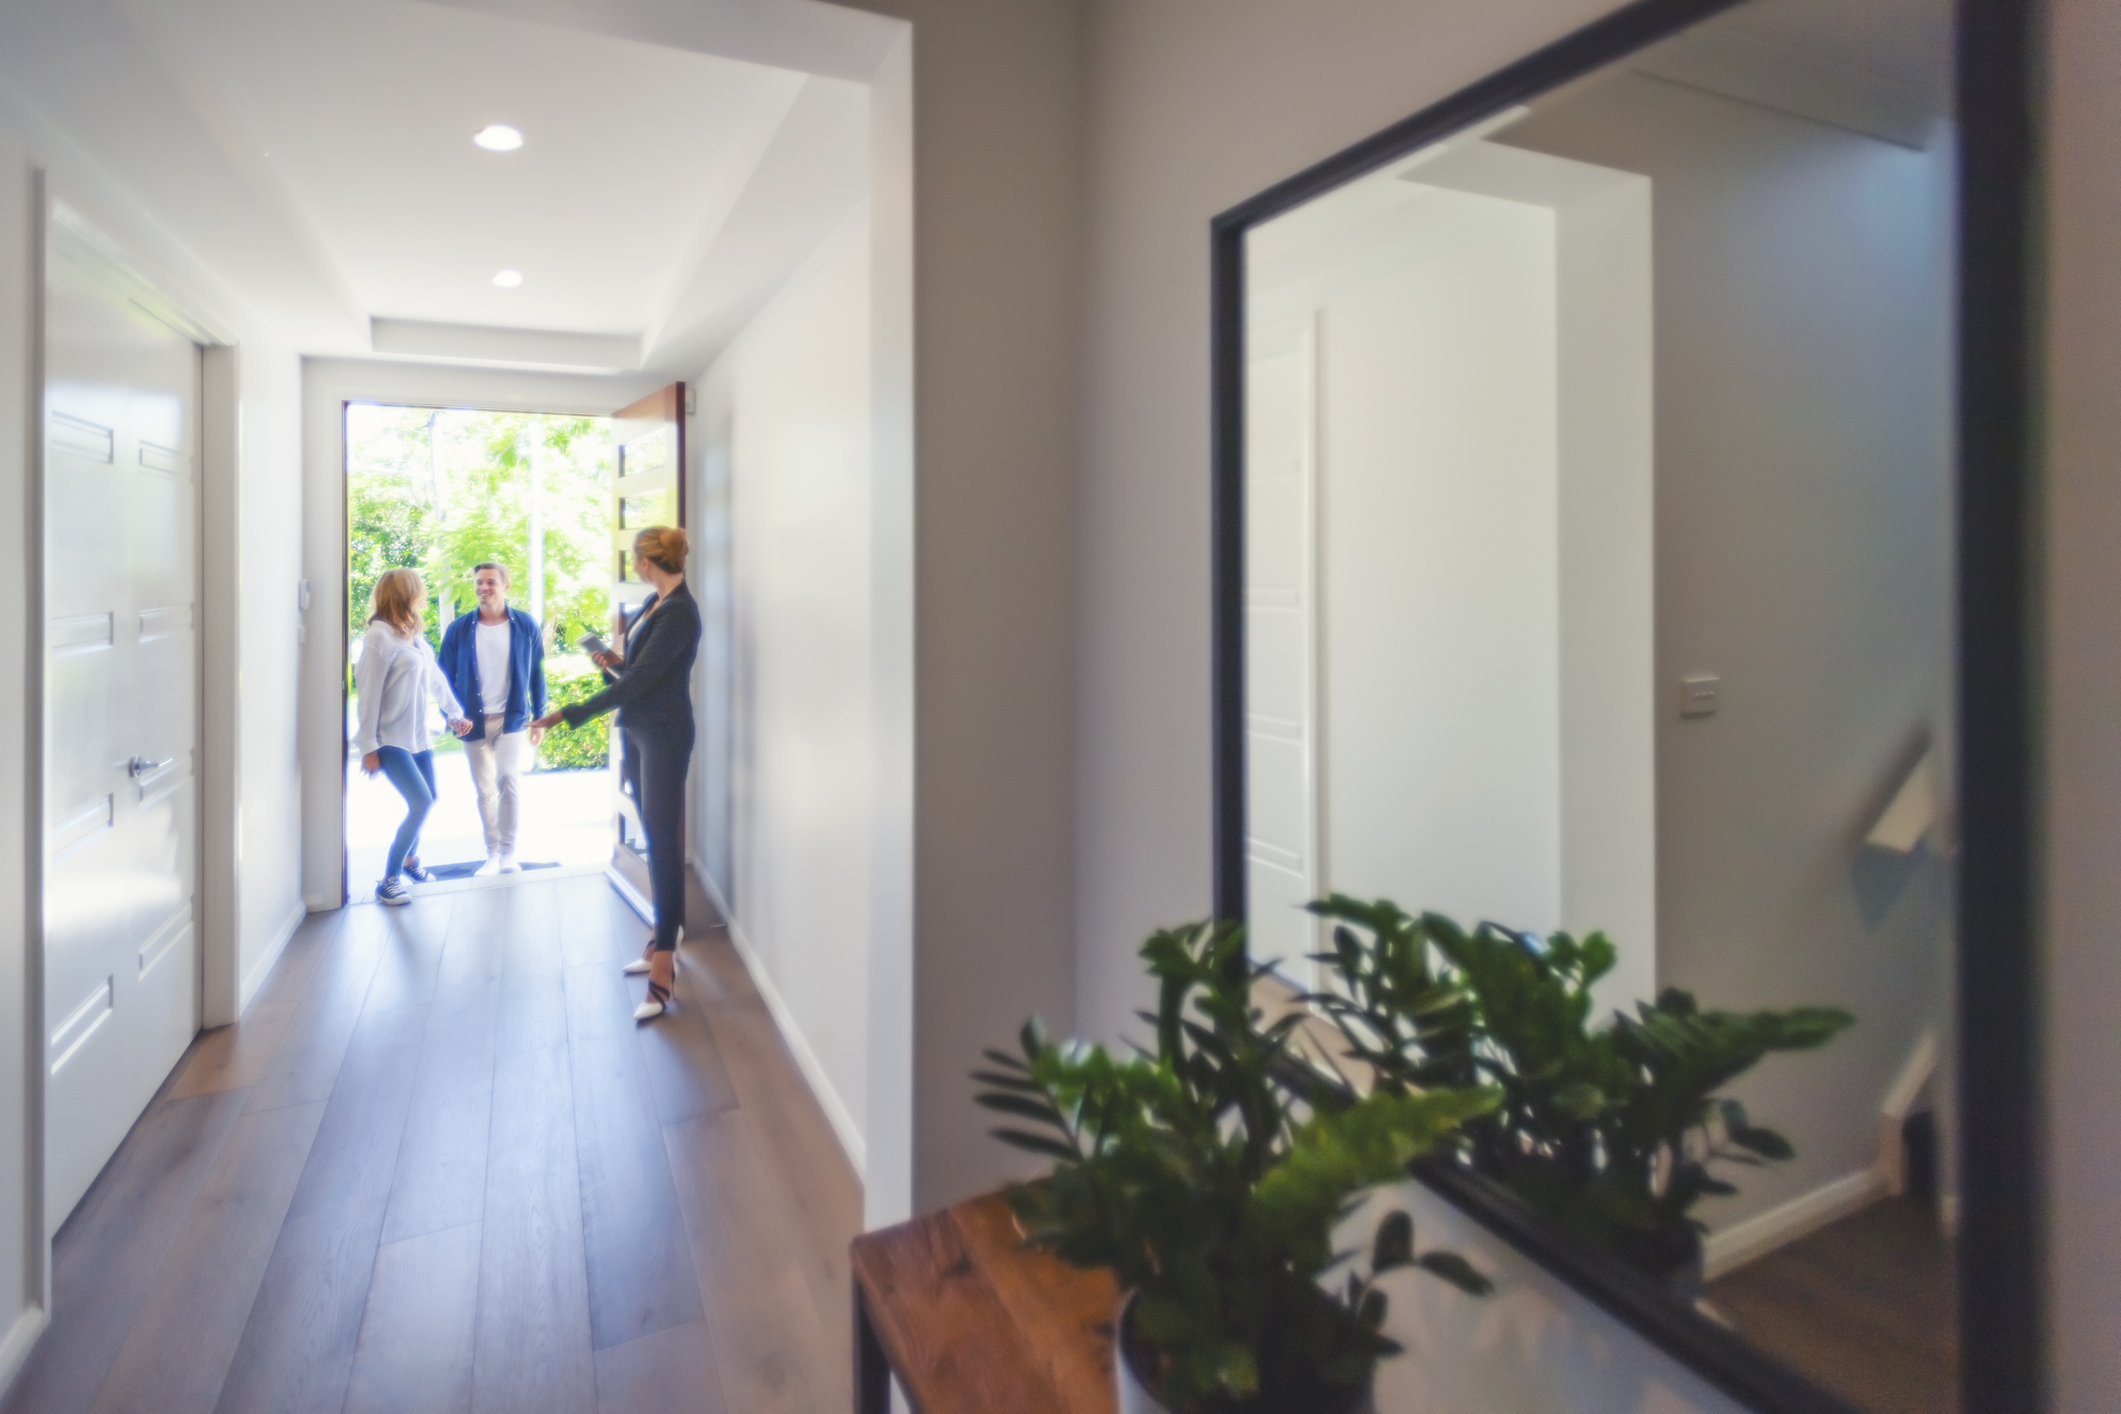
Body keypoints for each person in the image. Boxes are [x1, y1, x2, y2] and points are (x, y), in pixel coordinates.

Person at [533, 526, 698, 1020]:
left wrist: (569, 713)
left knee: (664, 845)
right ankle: (659, 938)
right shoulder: (655, 606)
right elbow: (637, 677)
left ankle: (664, 965)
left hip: (664, 736)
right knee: (653, 839)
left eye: (634, 562)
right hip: (642, 731)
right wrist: (611, 662)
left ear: (647, 563)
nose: (634, 569)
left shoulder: (679, 613)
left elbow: (641, 684)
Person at [354, 568, 471, 905]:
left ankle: (409, 862)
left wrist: (455, 713)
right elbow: (368, 695)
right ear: (405, 594)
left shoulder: (413, 636)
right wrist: (368, 747)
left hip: (419, 737)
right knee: (420, 802)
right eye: (419, 587)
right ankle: (388, 879)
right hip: (390, 740)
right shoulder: (379, 637)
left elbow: (435, 678)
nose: (425, 592)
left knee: (429, 797)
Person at [437, 561, 548, 875]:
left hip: (511, 719)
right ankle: (493, 854)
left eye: (490, 582)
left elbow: (537, 672)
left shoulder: (525, 625)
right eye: (479, 582)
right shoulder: (459, 629)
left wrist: (540, 716)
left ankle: (509, 852)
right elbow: (441, 676)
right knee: (485, 790)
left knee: (508, 779)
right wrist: (449, 714)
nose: (483, 587)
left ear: (506, 586)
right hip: (472, 721)